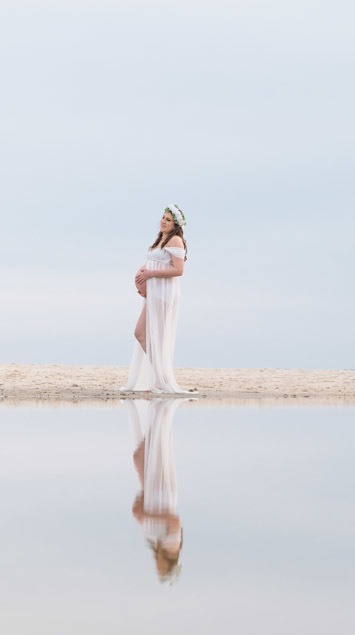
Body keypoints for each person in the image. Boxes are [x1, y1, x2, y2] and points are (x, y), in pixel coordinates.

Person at [121, 205, 195, 394]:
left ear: (176, 225)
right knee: (145, 334)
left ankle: (163, 380)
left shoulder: (176, 240)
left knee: (147, 335)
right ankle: (160, 379)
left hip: (164, 293)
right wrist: (142, 286)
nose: (163, 221)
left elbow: (178, 270)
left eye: (168, 220)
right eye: (163, 218)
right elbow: (151, 263)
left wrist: (149, 275)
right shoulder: (161, 239)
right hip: (155, 292)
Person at [126, 397, 187, 584]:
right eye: (161, 569)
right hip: (162, 495)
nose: (157, 567)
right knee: (151, 450)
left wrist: (141, 509)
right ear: (168, 563)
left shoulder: (157, 546)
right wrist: (146, 517)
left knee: (142, 455)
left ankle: (158, 413)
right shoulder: (172, 546)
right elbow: (174, 521)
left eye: (158, 569)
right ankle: (161, 412)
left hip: (151, 496)